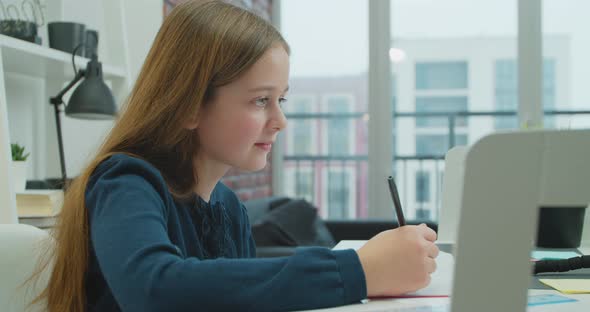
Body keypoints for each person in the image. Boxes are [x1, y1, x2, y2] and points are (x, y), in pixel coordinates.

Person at [31, 1, 439, 311]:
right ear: (188, 105)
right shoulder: (126, 182)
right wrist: (358, 271)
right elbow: (154, 289)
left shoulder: (228, 207)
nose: (280, 120)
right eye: (261, 100)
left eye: (280, 99)